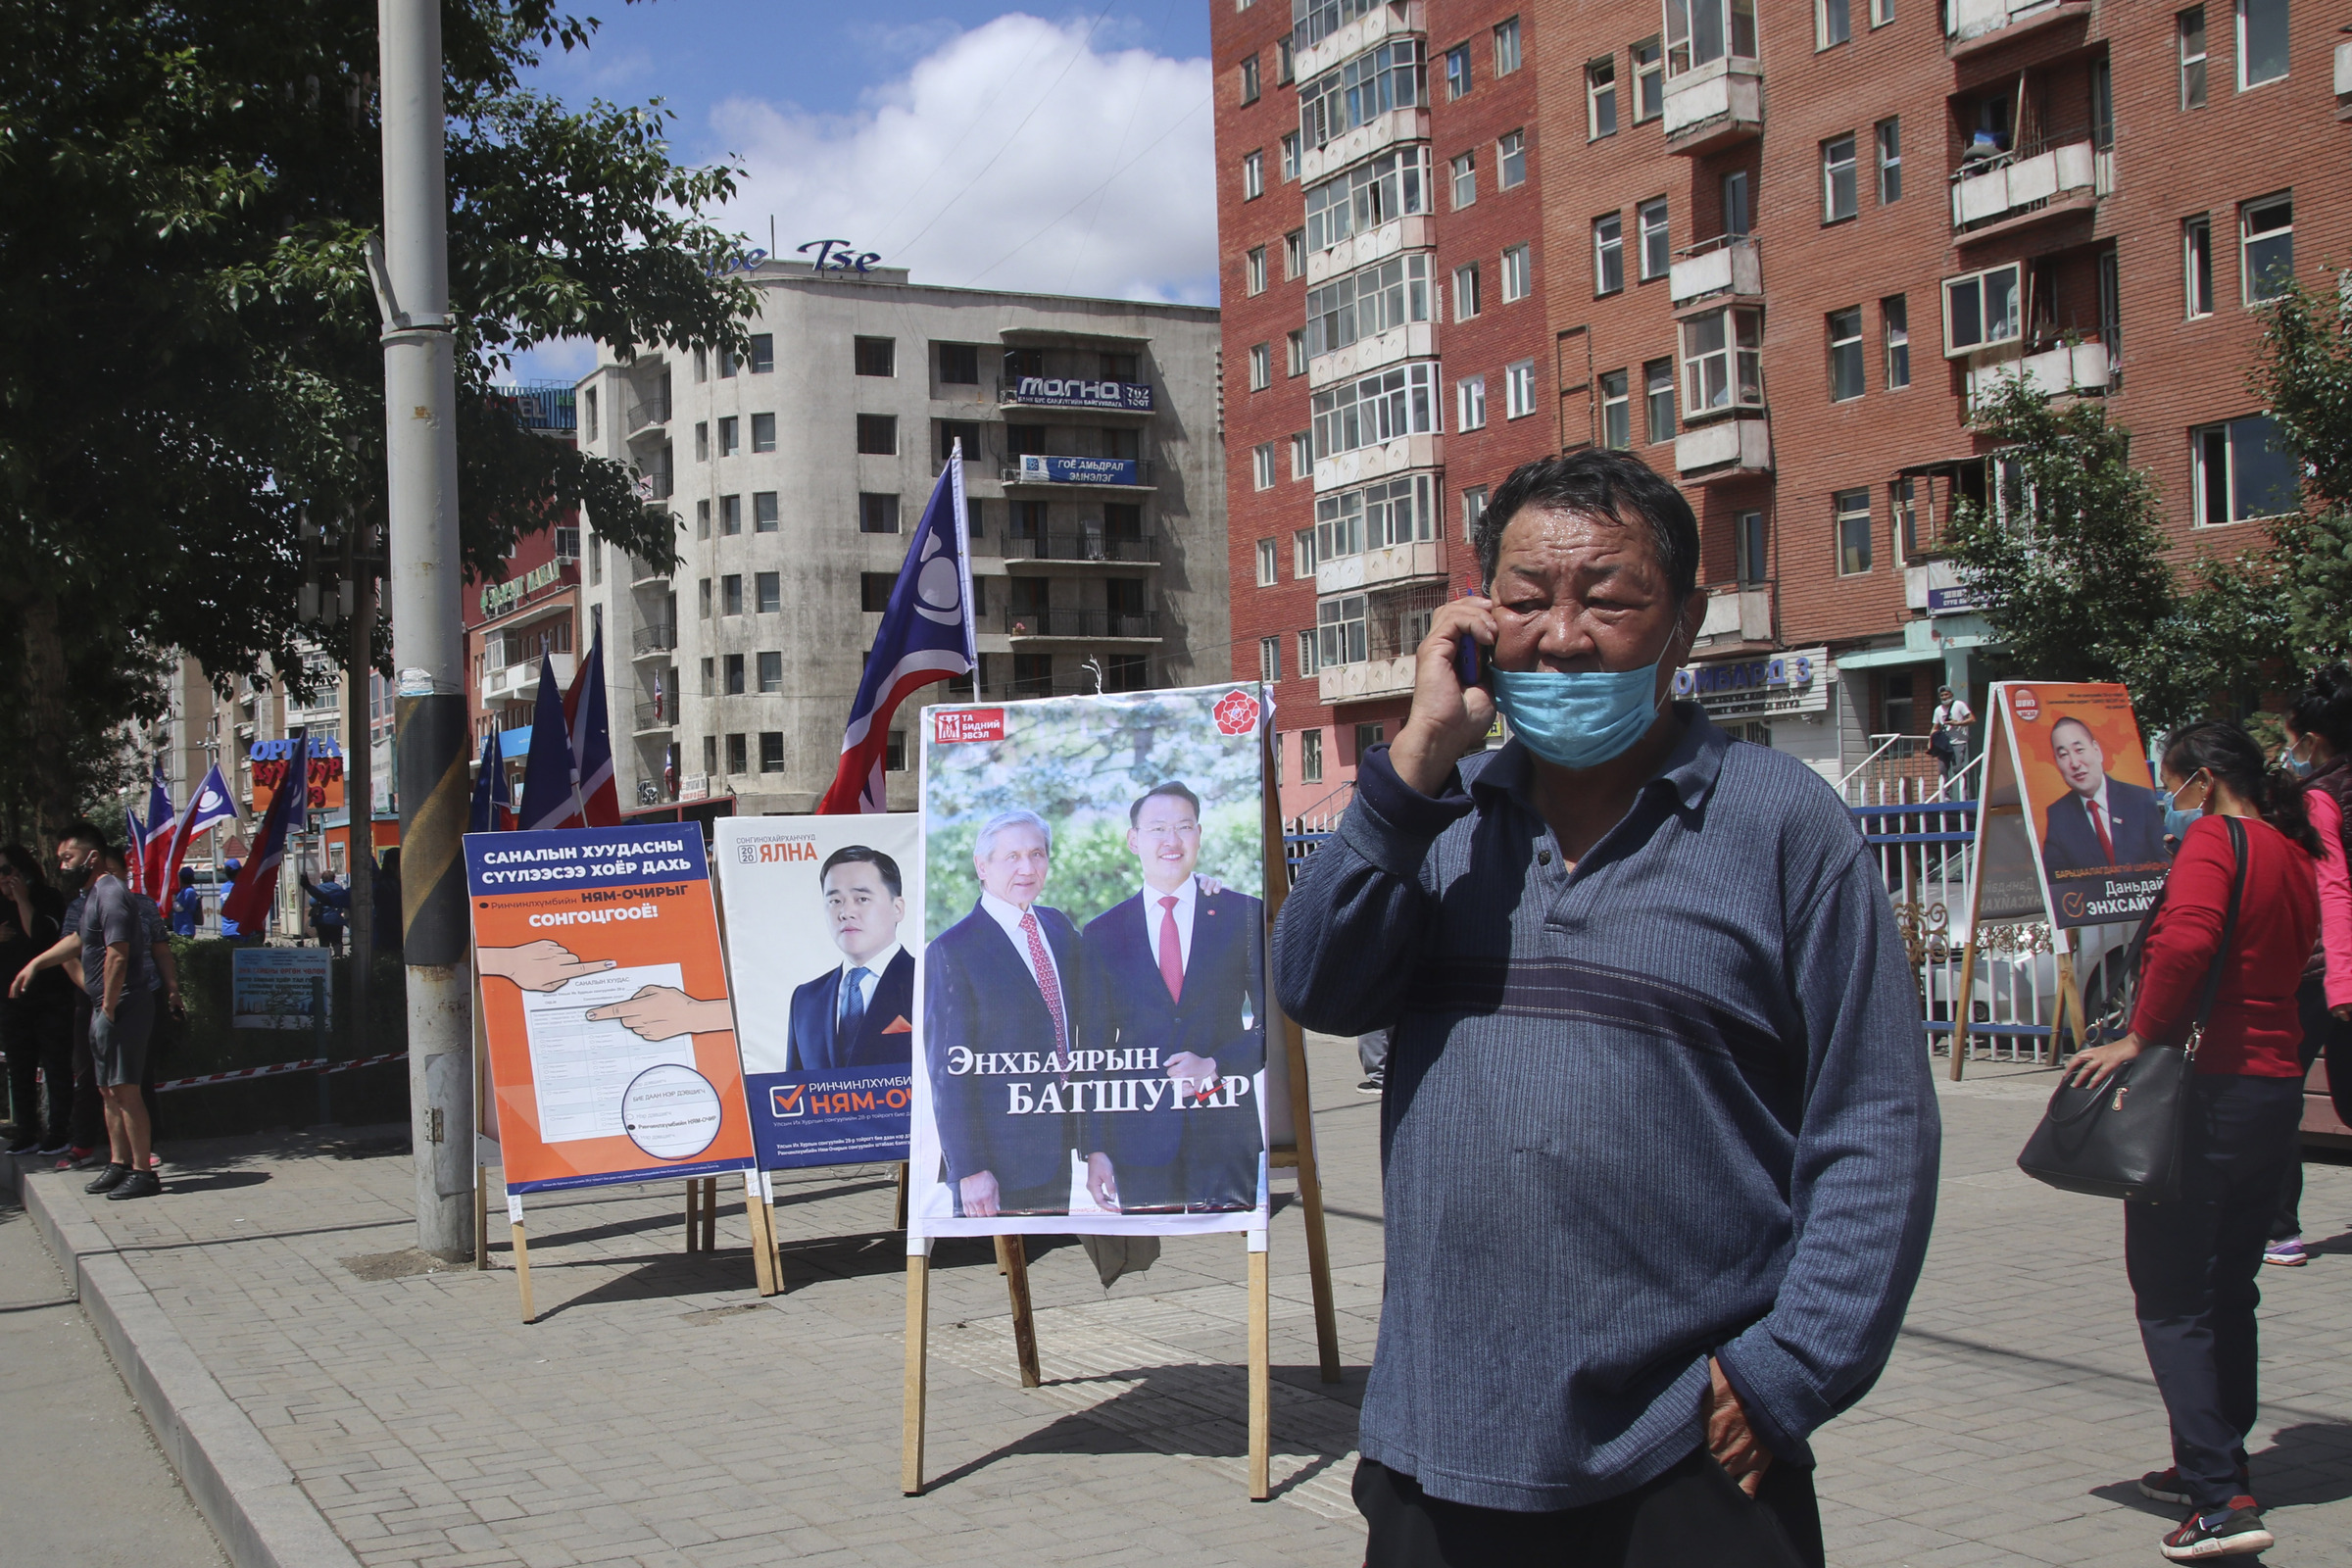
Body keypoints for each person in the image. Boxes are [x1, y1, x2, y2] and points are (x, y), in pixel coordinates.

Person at [1271, 449, 1939, 1568]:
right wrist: (1421, 756)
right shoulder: (1441, 822)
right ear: (1481, 621)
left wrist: (1792, 1371)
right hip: (1443, 1451)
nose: (1565, 636)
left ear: (1684, 621)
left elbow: (1874, 1124)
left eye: (1611, 601)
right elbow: (1316, 986)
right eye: (1527, 602)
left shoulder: (1783, 826)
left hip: (1690, 1454)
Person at [2063, 721, 2320, 1561]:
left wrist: (2141, 1036)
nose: (2169, 804)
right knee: (2227, 1288)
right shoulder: (2288, 849)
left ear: (2203, 782)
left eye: (2174, 785)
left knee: (2172, 1298)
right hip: (2274, 1091)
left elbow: (2186, 940)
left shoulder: (2214, 842)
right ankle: (2214, 1455)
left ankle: (2220, 1501)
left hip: (2205, 1098)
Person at [1078, 781, 1266, 1214]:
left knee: (1236, 1256)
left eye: (1184, 827)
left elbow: (1270, 1023)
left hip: (1224, 1127)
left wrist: (1216, 1064)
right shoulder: (1103, 933)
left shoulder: (1241, 915)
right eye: (1158, 828)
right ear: (1134, 840)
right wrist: (1095, 1147)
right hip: (1138, 1135)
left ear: (1199, 835)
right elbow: (1093, 1047)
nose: (1171, 840)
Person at [924, 809, 1081, 1218]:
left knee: (1049, 1274)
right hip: (995, 1164)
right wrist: (969, 1168)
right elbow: (948, 1073)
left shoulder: (1058, 927)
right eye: (1012, 857)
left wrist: (1199, 892)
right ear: (982, 866)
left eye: (1037, 854)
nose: (1028, 868)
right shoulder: (952, 951)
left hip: (1056, 1146)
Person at [2265, 664, 2352, 1267]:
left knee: (2278, 1098)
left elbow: (2333, 888)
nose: (2286, 751)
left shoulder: (2318, 797)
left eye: (2290, 739)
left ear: (2312, 741)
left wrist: (2342, 980)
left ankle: (2280, 1231)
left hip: (2328, 974)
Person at [785, 846, 914, 1072]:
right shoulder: (806, 1000)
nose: (846, 912)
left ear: (897, 908)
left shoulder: (932, 983)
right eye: (835, 901)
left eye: (862, 898)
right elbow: (796, 1094)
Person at [0, 846, 74, 1154]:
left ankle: (59, 1132)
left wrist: (22, 900)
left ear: (22, 870)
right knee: (19, 1067)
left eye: (6, 870)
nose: (2, 878)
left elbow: (40, 937)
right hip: (11, 1001)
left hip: (49, 998)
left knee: (56, 1066)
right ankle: (26, 1131)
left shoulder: (47, 897)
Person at [2040, 715, 2173, 879]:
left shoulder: (2140, 799)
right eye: (2063, 755)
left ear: (2097, 750)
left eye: (2079, 750)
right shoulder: (2058, 814)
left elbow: (2163, 864)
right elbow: (2055, 880)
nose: (2074, 763)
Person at [1930, 685, 1975, 782]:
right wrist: (1930, 742)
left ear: (1951, 694)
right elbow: (1935, 728)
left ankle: (1964, 793)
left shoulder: (1959, 705)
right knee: (1942, 769)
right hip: (1944, 743)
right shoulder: (1938, 710)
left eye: (1946, 694)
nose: (1944, 697)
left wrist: (1957, 723)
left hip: (1958, 741)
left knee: (1957, 768)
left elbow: (1972, 719)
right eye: (1942, 695)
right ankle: (1946, 795)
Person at [303, 868, 349, 953]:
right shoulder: (339, 888)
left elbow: (312, 902)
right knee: (337, 940)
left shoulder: (319, 889)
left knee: (324, 941)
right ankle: (339, 958)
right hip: (336, 919)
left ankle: (325, 959)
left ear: (322, 879)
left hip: (322, 920)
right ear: (334, 878)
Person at [169, 866, 202, 937]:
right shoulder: (183, 891)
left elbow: (180, 908)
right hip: (179, 927)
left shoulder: (189, 891)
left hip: (186, 929)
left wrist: (173, 900)